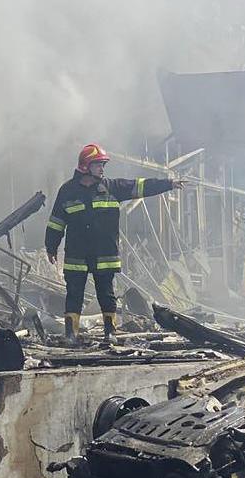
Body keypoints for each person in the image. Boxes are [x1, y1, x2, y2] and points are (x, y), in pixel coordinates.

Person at [44, 143, 182, 341]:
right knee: (74, 295)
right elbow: (56, 221)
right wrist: (51, 246)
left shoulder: (112, 187)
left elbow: (140, 186)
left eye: (103, 165)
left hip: (104, 254)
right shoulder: (67, 191)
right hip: (77, 254)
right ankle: (71, 334)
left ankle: (110, 332)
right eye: (98, 164)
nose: (102, 168)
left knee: (106, 295)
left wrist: (168, 184)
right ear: (86, 166)